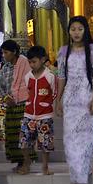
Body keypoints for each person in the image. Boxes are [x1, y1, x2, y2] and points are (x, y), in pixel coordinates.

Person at [54, 16, 93, 184]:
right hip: (70, 102)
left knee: (88, 139)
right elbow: (61, 77)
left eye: (79, 29)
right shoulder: (63, 51)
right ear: (68, 31)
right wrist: (58, 100)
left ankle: (85, 170)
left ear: (85, 30)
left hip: (87, 99)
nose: (76, 32)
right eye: (73, 29)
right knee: (71, 140)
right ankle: (75, 178)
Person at [19, 46, 56, 175]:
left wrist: (46, 104)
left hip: (45, 115)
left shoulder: (50, 76)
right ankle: (27, 162)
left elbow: (54, 93)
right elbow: (28, 92)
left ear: (43, 60)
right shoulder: (27, 76)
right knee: (24, 141)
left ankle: (45, 166)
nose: (32, 64)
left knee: (45, 142)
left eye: (34, 61)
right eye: (30, 62)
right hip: (28, 114)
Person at [0, 39, 30, 171]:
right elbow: (1, 86)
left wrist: (18, 97)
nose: (4, 55)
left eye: (6, 52)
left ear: (14, 52)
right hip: (10, 105)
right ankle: (19, 162)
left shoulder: (24, 63)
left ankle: (26, 162)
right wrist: (6, 97)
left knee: (22, 134)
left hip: (23, 104)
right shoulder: (5, 67)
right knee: (12, 135)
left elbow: (28, 82)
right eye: (3, 53)